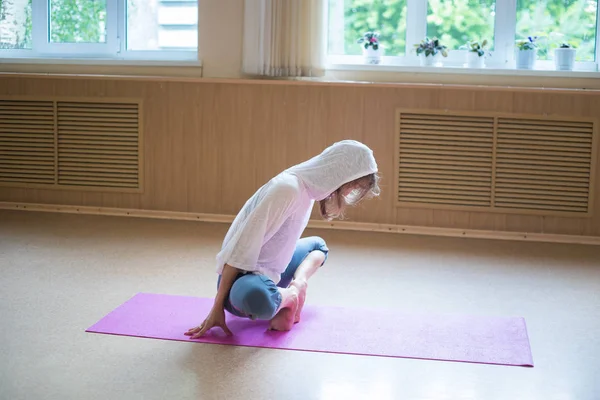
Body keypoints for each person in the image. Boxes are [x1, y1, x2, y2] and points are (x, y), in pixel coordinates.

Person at [185, 140, 380, 338]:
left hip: (272, 273)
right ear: (340, 173)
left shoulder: (308, 190)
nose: (348, 193)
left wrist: (299, 281)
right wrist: (216, 308)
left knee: (318, 246)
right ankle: (288, 297)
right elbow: (238, 252)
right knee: (258, 298)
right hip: (241, 282)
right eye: (352, 186)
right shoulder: (287, 189)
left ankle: (295, 288)